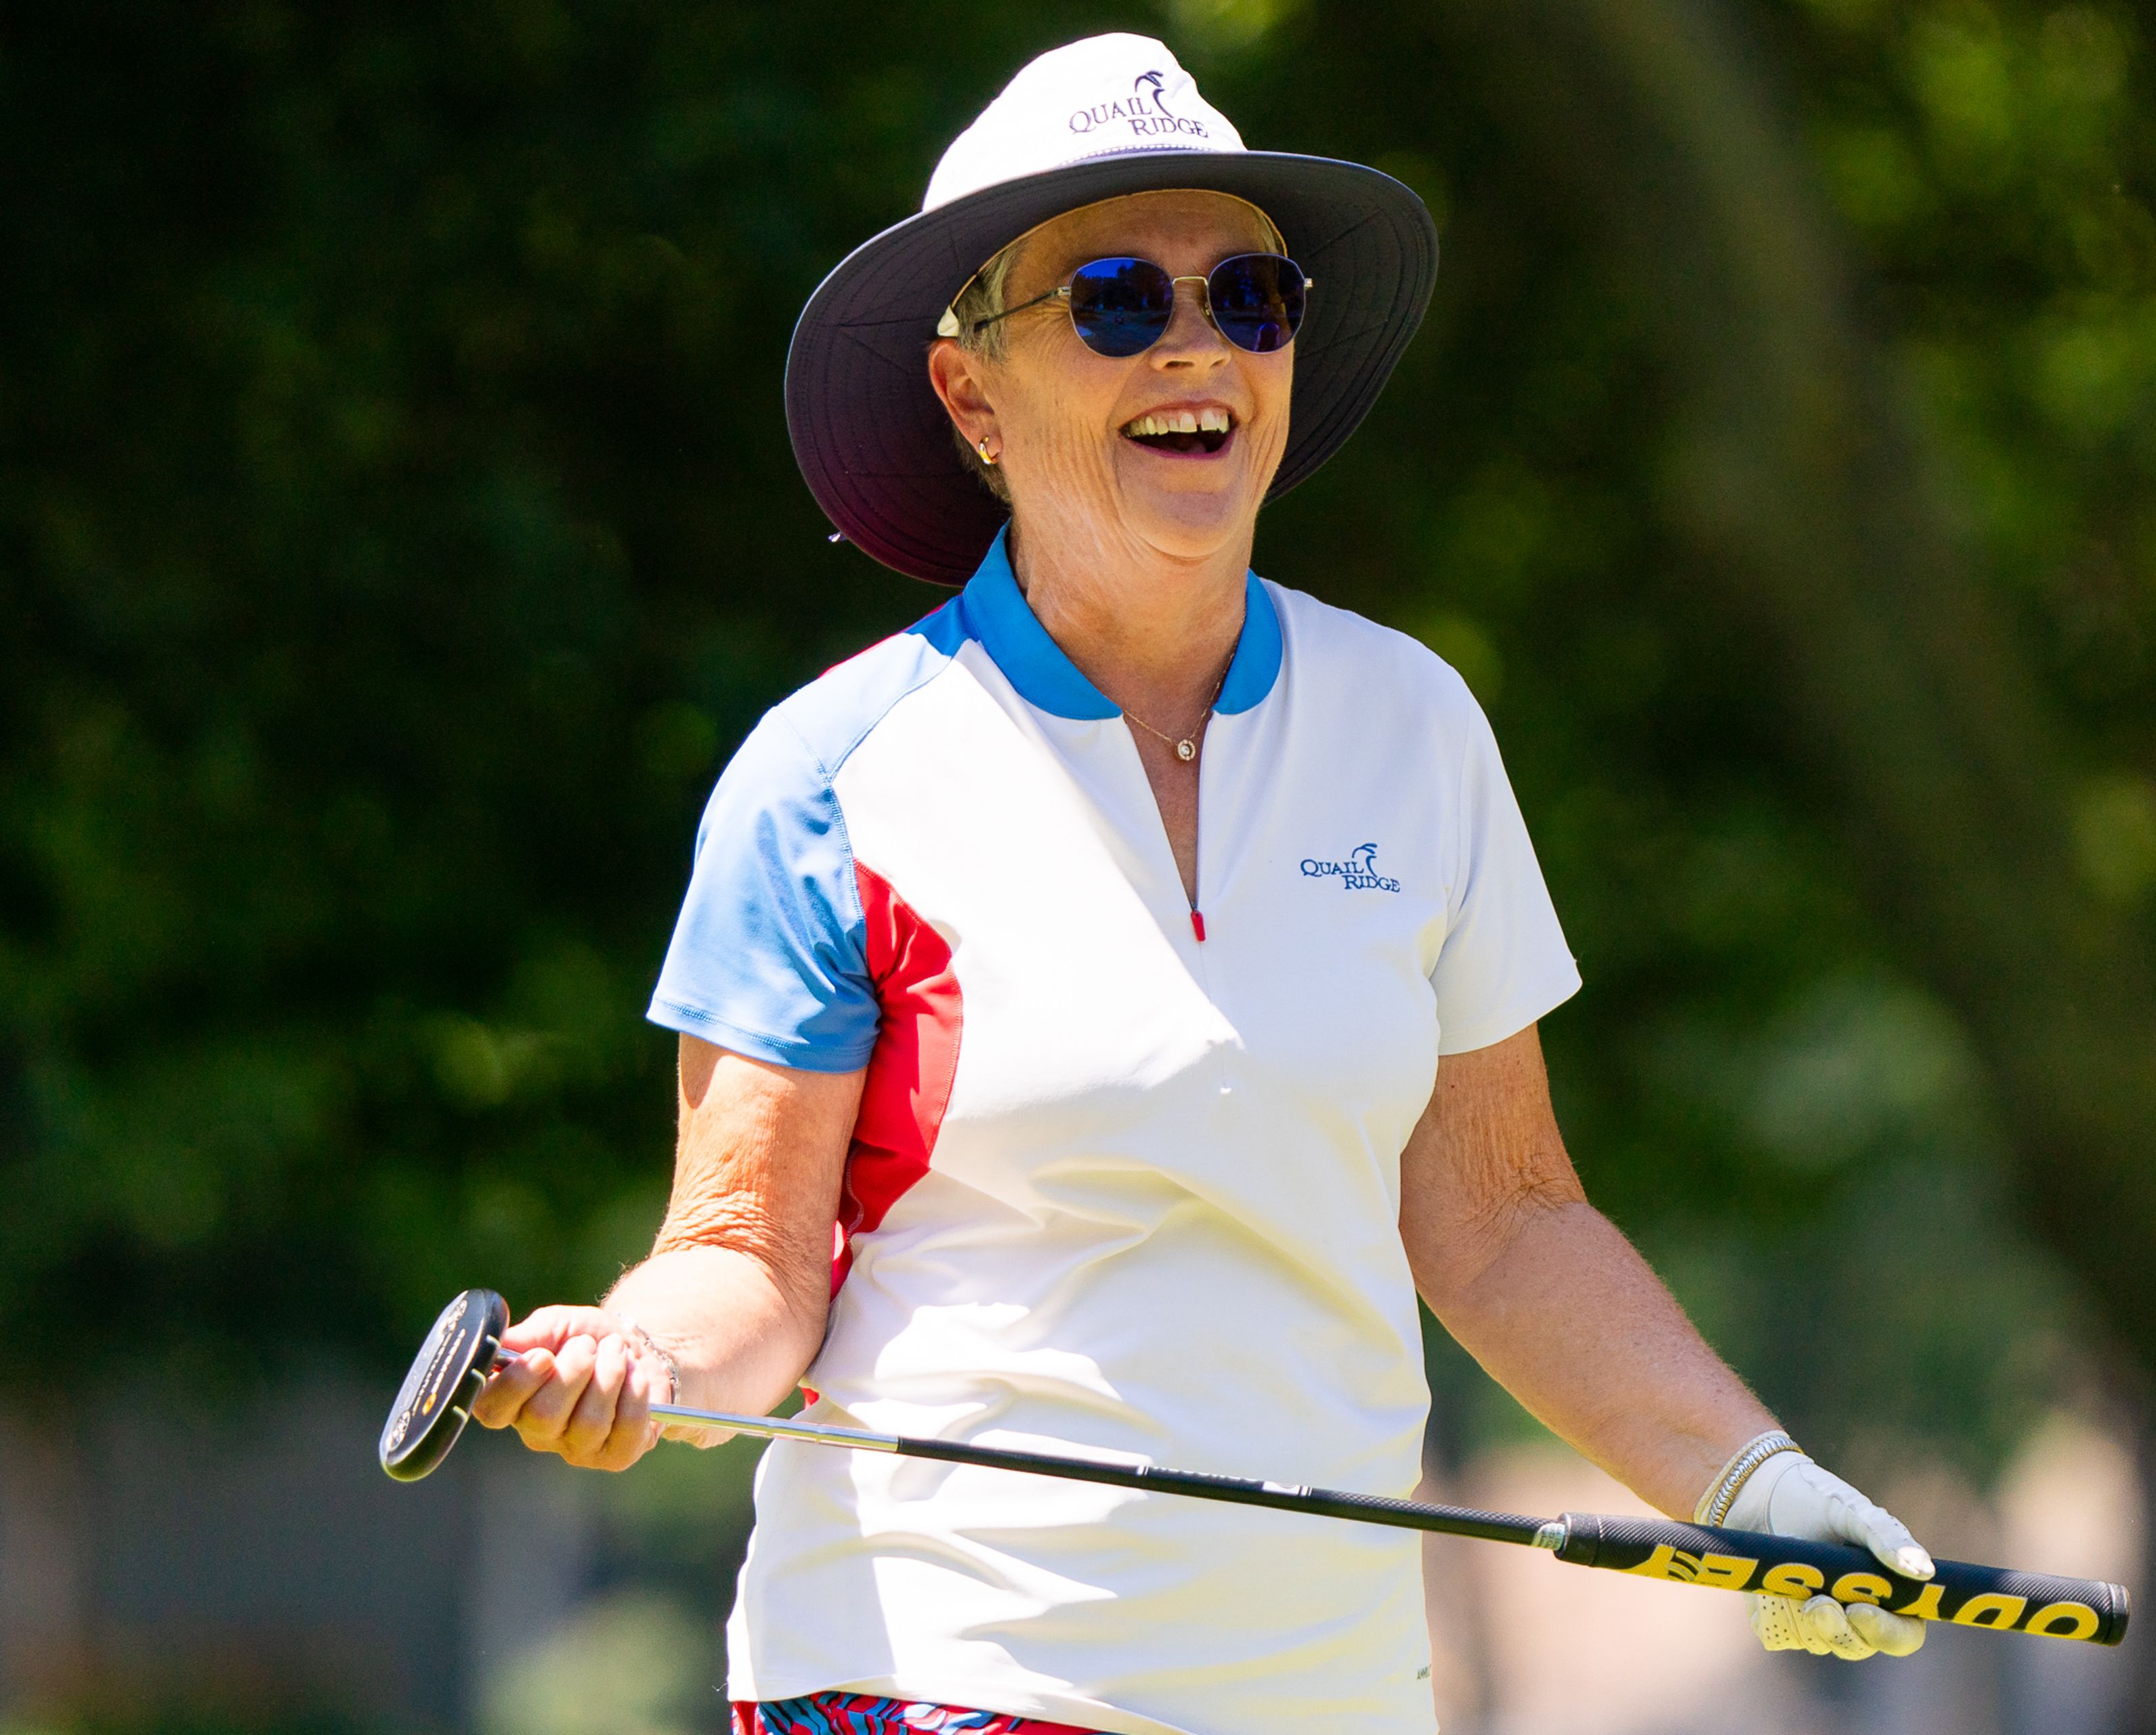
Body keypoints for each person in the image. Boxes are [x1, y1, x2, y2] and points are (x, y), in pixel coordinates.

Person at [469, 33, 1936, 1735]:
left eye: (1249, 296)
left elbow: (1502, 1221)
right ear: (970, 394)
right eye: (1113, 297)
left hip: (1335, 1699)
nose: (1196, 344)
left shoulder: (1417, 725)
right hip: (935, 1680)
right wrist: (637, 1360)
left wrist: (1748, 1483)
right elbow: (748, 1261)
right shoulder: (832, 778)